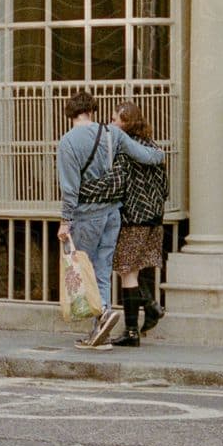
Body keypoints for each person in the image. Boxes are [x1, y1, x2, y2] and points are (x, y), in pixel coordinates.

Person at [56, 90, 167, 348]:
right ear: (92, 111)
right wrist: (160, 155)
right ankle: (100, 330)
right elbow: (146, 155)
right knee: (103, 269)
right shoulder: (111, 133)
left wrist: (65, 221)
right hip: (113, 214)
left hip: (87, 214)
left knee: (87, 270)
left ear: (71, 114)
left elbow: (70, 188)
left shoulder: (68, 142)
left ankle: (103, 315)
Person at [110, 100, 168, 347]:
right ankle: (151, 307)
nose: (112, 123)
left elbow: (118, 183)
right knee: (134, 267)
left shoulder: (125, 151)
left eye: (115, 119)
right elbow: (164, 187)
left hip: (134, 218)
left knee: (127, 271)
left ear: (126, 122)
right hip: (154, 217)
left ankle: (131, 331)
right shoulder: (153, 147)